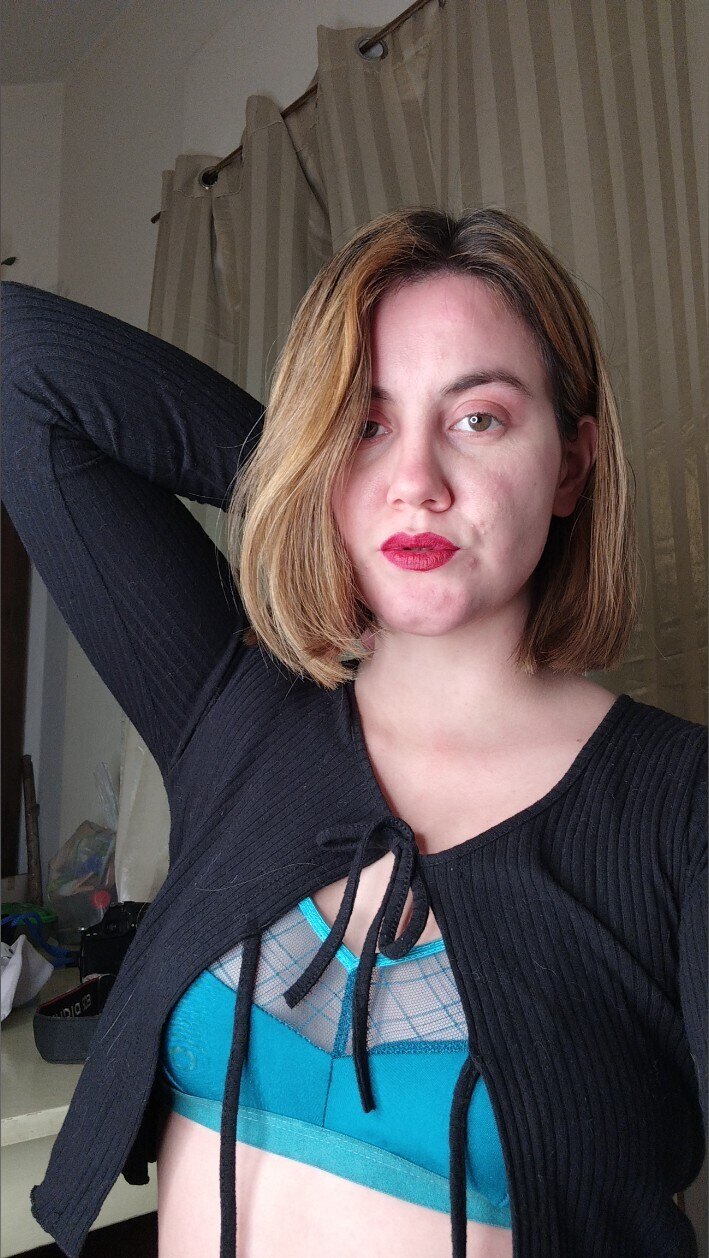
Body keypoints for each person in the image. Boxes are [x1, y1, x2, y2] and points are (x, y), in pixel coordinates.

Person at [1, 207, 705, 1258]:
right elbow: (19, 367)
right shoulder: (236, 709)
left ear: (570, 463)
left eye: (479, 418)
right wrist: (314, 487)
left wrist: (348, 475)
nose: (415, 481)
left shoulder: (680, 808)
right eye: (366, 423)